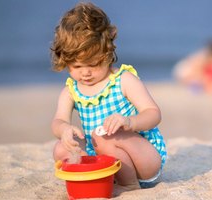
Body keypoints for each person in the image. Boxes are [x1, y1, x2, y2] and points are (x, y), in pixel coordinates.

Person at [50, 2, 167, 191]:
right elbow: (58, 120)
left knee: (102, 135)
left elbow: (153, 114)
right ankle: (96, 178)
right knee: (61, 148)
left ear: (106, 54)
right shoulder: (70, 91)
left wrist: (129, 122)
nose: (85, 73)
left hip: (142, 160)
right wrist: (64, 129)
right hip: (105, 160)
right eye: (77, 66)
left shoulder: (123, 80)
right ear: (65, 60)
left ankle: (128, 185)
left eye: (93, 64)